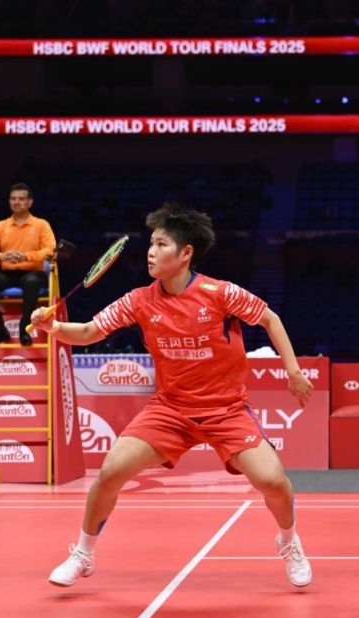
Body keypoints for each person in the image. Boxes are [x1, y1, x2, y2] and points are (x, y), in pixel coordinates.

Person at [32, 203, 314, 588]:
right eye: (151, 243)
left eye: (161, 244)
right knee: (111, 472)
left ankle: (289, 541)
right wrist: (53, 327)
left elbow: (269, 318)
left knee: (274, 482)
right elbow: (87, 332)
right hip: (170, 410)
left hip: (225, 410)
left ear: (185, 253)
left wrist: (293, 371)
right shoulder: (138, 300)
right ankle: (83, 554)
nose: (151, 252)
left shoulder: (220, 293)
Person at [0, 183, 56, 346]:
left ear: (30, 202)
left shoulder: (41, 225)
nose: (16, 202)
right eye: (13, 199)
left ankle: (24, 329)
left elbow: (50, 249)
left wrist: (26, 256)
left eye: (21, 199)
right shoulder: (0, 226)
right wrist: (1, 257)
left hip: (33, 272)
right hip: (7, 273)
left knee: (32, 282)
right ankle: (0, 331)